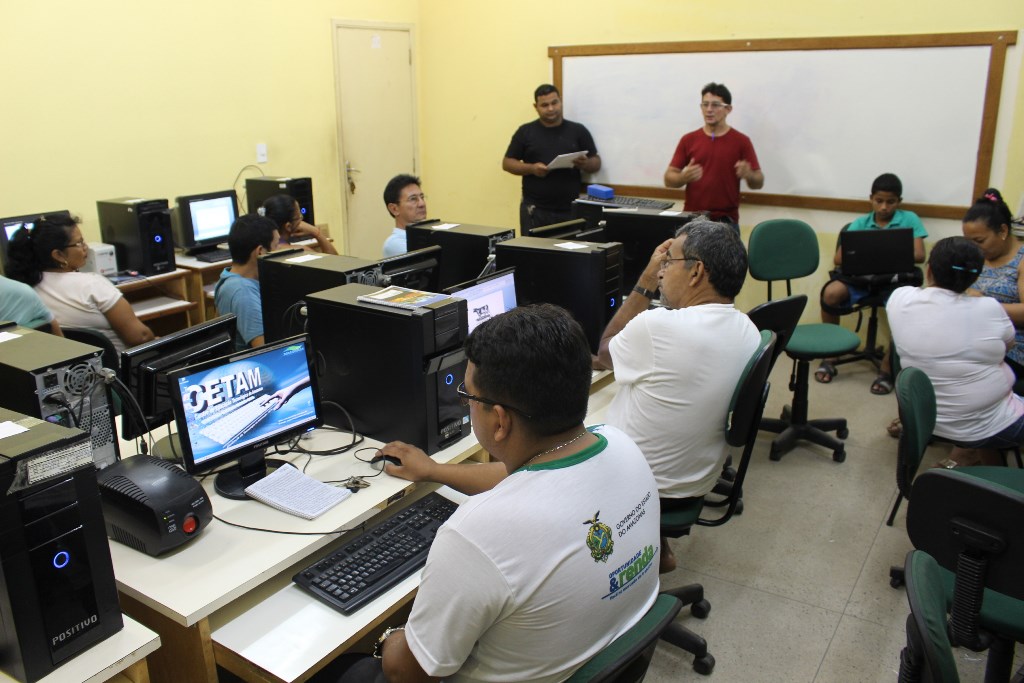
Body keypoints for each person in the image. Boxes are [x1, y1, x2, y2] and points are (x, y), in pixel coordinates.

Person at [321, 305, 660, 683]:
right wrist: (434, 471)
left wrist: (387, 637)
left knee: (340, 668)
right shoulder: (623, 446)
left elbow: (406, 672)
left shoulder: (475, 533)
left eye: (468, 395)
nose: (465, 401)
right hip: (594, 654)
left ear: (499, 420)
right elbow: (527, 477)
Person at [596, 218, 761, 573]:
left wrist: (642, 282)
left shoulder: (658, 327)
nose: (660, 271)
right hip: (698, 477)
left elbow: (605, 352)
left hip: (642, 483)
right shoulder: (748, 329)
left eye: (667, 261)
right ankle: (660, 549)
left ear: (696, 271)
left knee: (555, 430)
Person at [887, 236, 1023, 468]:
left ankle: (983, 471)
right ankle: (999, 484)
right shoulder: (990, 308)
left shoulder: (899, 299)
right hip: (988, 423)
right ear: (975, 277)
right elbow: (1008, 346)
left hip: (922, 419)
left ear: (929, 269)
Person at [816, 172, 928, 395]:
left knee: (906, 308)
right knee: (830, 293)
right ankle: (831, 355)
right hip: (863, 280)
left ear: (899, 201)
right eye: (879, 201)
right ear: (871, 199)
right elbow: (839, 259)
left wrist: (881, 250)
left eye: (891, 201)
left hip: (893, 281)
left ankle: (887, 367)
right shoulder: (860, 223)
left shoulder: (910, 219)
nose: (884, 207)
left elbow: (919, 254)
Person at [5, 214, 153, 353]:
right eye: (79, 243)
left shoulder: (25, 288)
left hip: (75, 374)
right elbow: (140, 337)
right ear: (58, 255)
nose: (85, 247)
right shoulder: (92, 284)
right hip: (117, 374)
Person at [503, 84, 601, 233]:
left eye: (554, 103)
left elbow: (596, 162)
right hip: (535, 210)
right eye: (544, 105)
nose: (550, 109)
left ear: (560, 101)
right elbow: (507, 163)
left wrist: (585, 164)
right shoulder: (525, 132)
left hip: (571, 210)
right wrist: (531, 169)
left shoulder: (578, 130)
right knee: (534, 254)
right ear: (536, 107)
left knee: (570, 254)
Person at [663, 82, 763, 225]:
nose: (709, 110)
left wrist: (749, 175)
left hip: (726, 221)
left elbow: (758, 182)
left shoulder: (742, 141)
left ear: (728, 109)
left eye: (715, 105)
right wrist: (683, 177)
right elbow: (668, 179)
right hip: (693, 219)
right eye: (705, 104)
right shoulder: (688, 140)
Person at [962, 188, 1024, 388]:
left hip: (1012, 347)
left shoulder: (1021, 260)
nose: (974, 247)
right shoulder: (976, 257)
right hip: (972, 336)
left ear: (1003, 231)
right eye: (969, 241)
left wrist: (983, 304)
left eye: (979, 241)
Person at [214, 213, 279, 350]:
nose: (279, 253)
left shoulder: (228, 278)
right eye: (276, 247)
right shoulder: (243, 292)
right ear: (260, 252)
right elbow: (265, 350)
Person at [259, 194, 337, 255]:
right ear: (288, 226)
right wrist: (317, 233)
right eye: (299, 216)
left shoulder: (260, 250)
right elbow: (335, 265)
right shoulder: (302, 252)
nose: (301, 220)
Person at [382, 174, 428, 257]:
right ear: (394, 209)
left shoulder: (426, 235)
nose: (422, 204)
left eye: (422, 197)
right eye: (413, 199)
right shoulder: (394, 244)